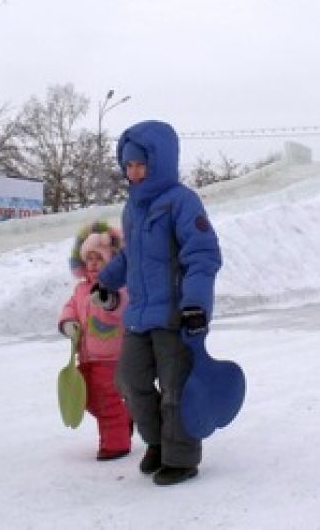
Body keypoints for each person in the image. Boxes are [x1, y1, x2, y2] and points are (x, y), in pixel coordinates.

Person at [93, 120, 222, 487]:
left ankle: (180, 457)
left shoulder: (182, 201)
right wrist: (107, 281)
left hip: (175, 315)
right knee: (130, 382)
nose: (133, 172)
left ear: (159, 163)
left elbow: (203, 255)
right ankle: (156, 443)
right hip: (138, 316)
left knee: (175, 389)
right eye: (128, 165)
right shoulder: (132, 208)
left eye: (140, 164)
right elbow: (131, 256)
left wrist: (195, 304)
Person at [58, 221, 132, 461]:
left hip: (111, 357)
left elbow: (121, 305)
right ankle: (126, 417)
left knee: (107, 400)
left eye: (98, 258)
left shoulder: (118, 287)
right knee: (87, 397)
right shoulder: (81, 290)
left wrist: (108, 301)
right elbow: (70, 307)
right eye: (89, 259)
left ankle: (115, 443)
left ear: (112, 261)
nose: (92, 264)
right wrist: (68, 322)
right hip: (86, 356)